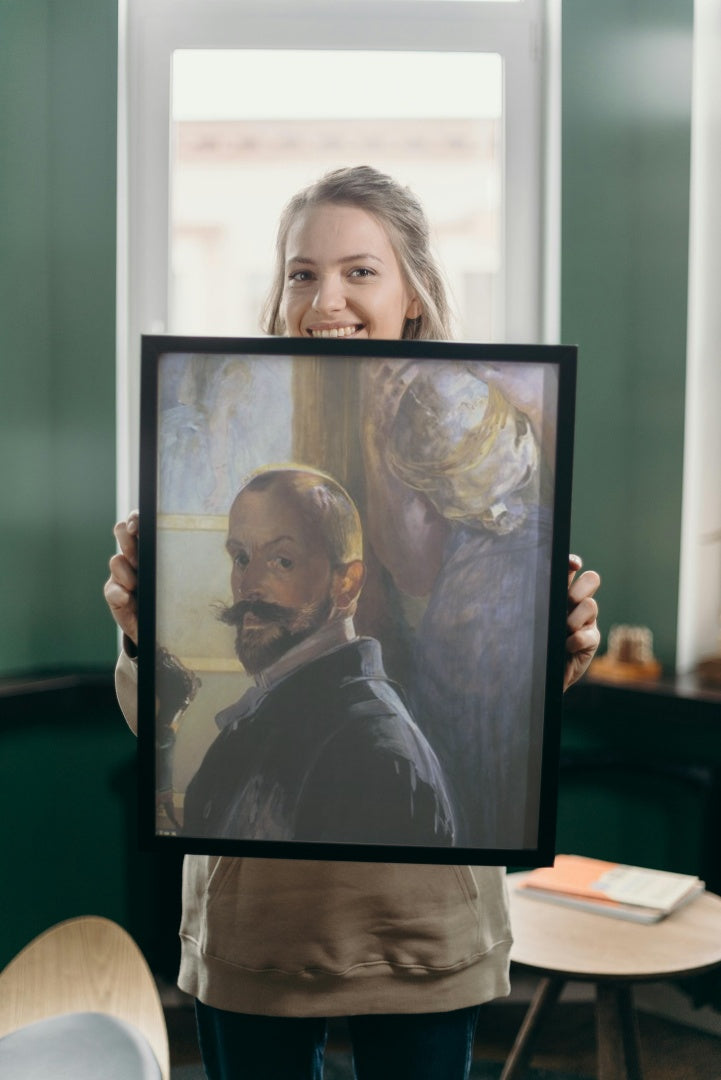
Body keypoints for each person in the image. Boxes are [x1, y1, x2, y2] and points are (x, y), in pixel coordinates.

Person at [105, 165, 601, 1080]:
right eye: (301, 272)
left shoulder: (473, 427)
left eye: (359, 271)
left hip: (418, 930)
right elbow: (160, 737)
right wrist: (139, 639)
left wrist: (552, 654)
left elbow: (495, 719)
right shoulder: (219, 437)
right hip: (257, 931)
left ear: (412, 291)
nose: (324, 297)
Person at [181, 465, 456, 847]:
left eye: (282, 561)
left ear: (347, 583)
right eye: (241, 558)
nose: (248, 586)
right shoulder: (272, 713)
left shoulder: (374, 753)